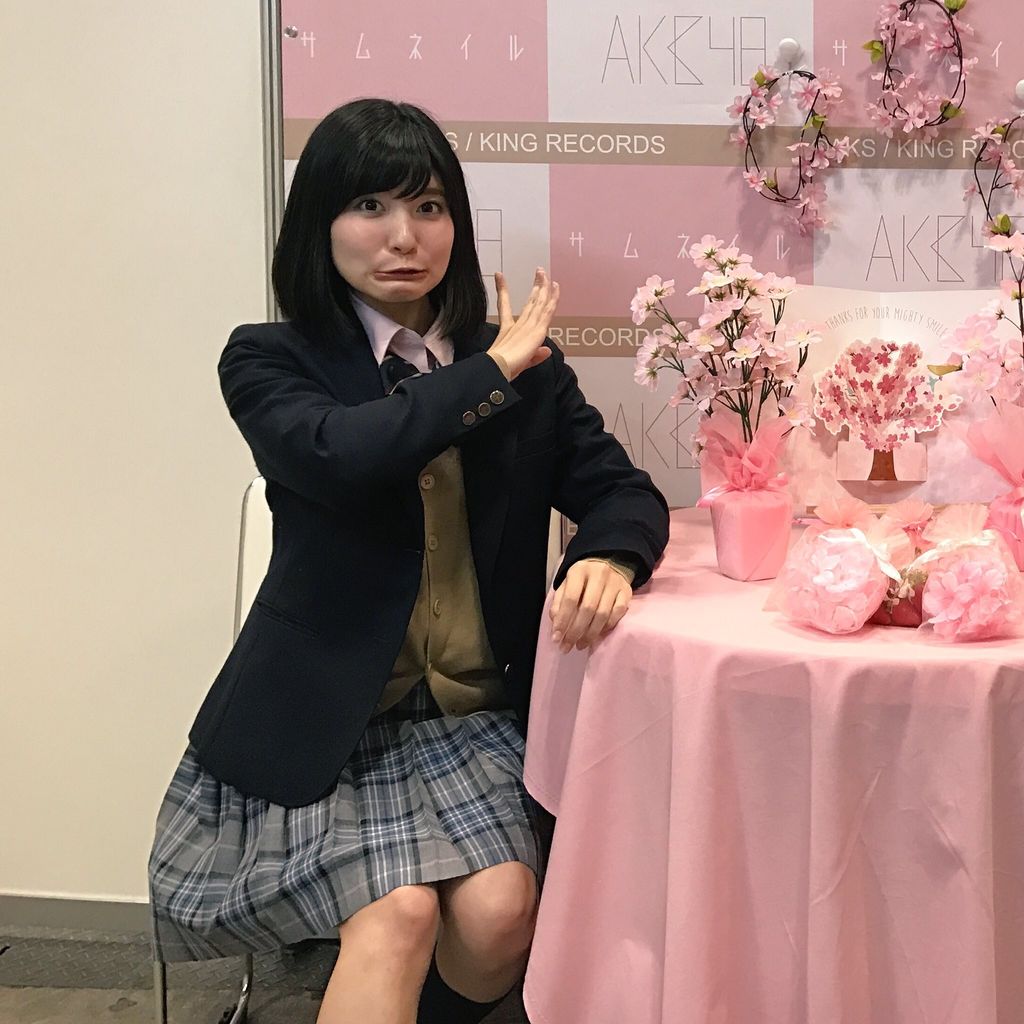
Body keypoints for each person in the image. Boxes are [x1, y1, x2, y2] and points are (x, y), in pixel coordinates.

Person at [148, 97, 669, 1024]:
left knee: (501, 916)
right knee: (398, 915)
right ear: (320, 223)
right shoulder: (269, 359)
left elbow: (623, 491)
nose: (404, 236)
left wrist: (610, 557)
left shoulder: (524, 365)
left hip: (475, 715)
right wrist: (487, 375)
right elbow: (340, 455)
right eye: (370, 206)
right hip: (324, 722)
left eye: (428, 207)